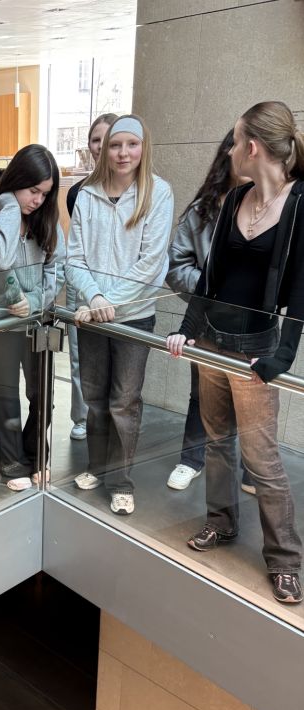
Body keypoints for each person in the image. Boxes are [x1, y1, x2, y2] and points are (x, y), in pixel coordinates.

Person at [167, 101, 304, 604]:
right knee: (216, 442)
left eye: (234, 141)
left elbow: (302, 290)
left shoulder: (300, 203)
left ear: (252, 147)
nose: (227, 151)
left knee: (262, 459)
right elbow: (210, 277)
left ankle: (285, 558)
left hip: (255, 351)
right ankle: (221, 522)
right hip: (211, 342)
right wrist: (187, 329)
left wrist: (281, 358)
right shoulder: (235, 200)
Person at [67, 113, 174, 516]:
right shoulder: (87, 193)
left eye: (131, 144)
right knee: (95, 399)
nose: (123, 153)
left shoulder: (158, 193)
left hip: (133, 317)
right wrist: (95, 297)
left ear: (144, 147)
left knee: (124, 403)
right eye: (115, 145)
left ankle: (121, 481)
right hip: (94, 315)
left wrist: (105, 301)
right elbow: (74, 258)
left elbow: (150, 264)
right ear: (104, 149)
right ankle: (97, 467)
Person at [165, 130, 258, 493]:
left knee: (252, 400)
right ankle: (191, 459)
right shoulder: (203, 210)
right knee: (201, 395)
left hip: (254, 328)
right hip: (206, 323)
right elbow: (176, 267)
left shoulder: (275, 209)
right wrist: (212, 290)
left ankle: (251, 468)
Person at [0, 143, 66, 490]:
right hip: (1, 321)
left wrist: (35, 300)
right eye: (32, 190)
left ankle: (35, 455)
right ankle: (11, 463)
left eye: (45, 193)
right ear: (16, 180)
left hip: (38, 321)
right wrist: (10, 206)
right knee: (6, 395)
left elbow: (57, 267)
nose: (37, 200)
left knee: (43, 395)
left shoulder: (46, 217)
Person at [65, 113, 117, 441]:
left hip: (119, 289)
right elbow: (78, 249)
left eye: (108, 138)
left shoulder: (139, 192)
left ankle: (110, 416)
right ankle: (82, 416)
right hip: (82, 284)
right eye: (96, 139)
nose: (102, 146)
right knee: (79, 355)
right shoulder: (77, 193)